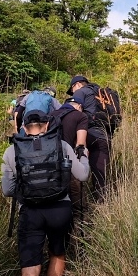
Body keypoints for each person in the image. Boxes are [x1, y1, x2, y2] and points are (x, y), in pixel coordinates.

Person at [0, 109, 89, 276]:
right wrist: (84, 156)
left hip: (31, 214)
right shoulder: (61, 146)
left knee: (30, 271)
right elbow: (83, 174)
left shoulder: (12, 151)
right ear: (48, 123)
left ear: (24, 126)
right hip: (60, 210)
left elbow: (7, 191)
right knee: (57, 253)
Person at [66, 75, 112, 202]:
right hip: (104, 136)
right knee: (100, 174)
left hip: (86, 135)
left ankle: (80, 205)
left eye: (72, 89)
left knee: (76, 172)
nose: (73, 92)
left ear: (77, 84)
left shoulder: (81, 91)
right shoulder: (102, 94)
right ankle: (102, 204)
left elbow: (73, 109)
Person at [49, 92, 89, 232]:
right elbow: (80, 144)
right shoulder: (81, 116)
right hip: (70, 163)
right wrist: (83, 157)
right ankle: (77, 232)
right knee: (76, 197)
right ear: (78, 106)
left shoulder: (52, 115)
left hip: (51, 164)